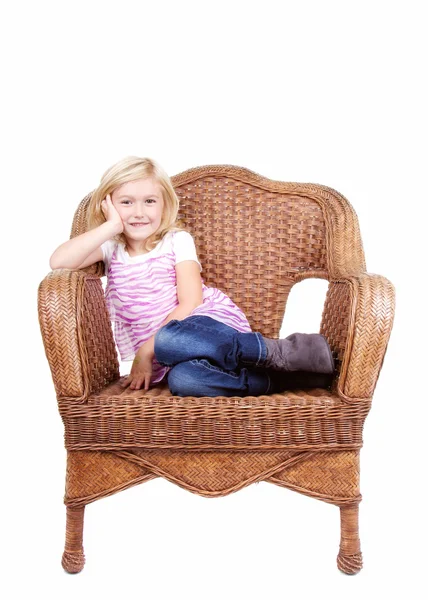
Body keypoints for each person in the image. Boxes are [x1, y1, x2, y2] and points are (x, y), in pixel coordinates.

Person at [49, 156, 335, 397]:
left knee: (170, 340)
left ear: (164, 205)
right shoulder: (112, 247)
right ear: (108, 204)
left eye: (149, 201)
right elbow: (59, 262)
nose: (138, 212)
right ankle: (282, 379)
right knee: (185, 382)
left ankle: (278, 350)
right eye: (126, 202)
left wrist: (147, 352)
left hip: (201, 329)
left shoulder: (176, 241)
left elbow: (191, 302)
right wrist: (111, 226)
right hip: (175, 360)